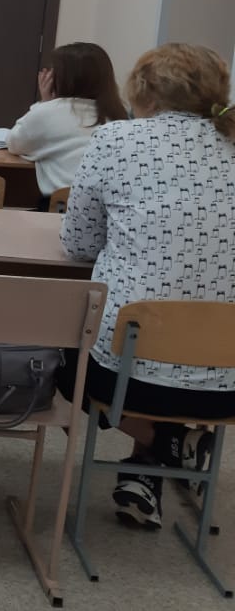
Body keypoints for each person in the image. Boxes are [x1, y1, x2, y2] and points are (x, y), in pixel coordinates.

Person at [59, 42, 235, 530]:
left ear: (145, 92)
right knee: (177, 328)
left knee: (66, 353)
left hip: (127, 380)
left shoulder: (116, 140)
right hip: (226, 384)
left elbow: (78, 243)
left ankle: (164, 444)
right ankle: (148, 471)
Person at [6, 41, 127, 201]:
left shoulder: (48, 112)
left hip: (65, 206)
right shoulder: (118, 114)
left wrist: (44, 103)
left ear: (60, 79)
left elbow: (14, 143)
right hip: (110, 207)